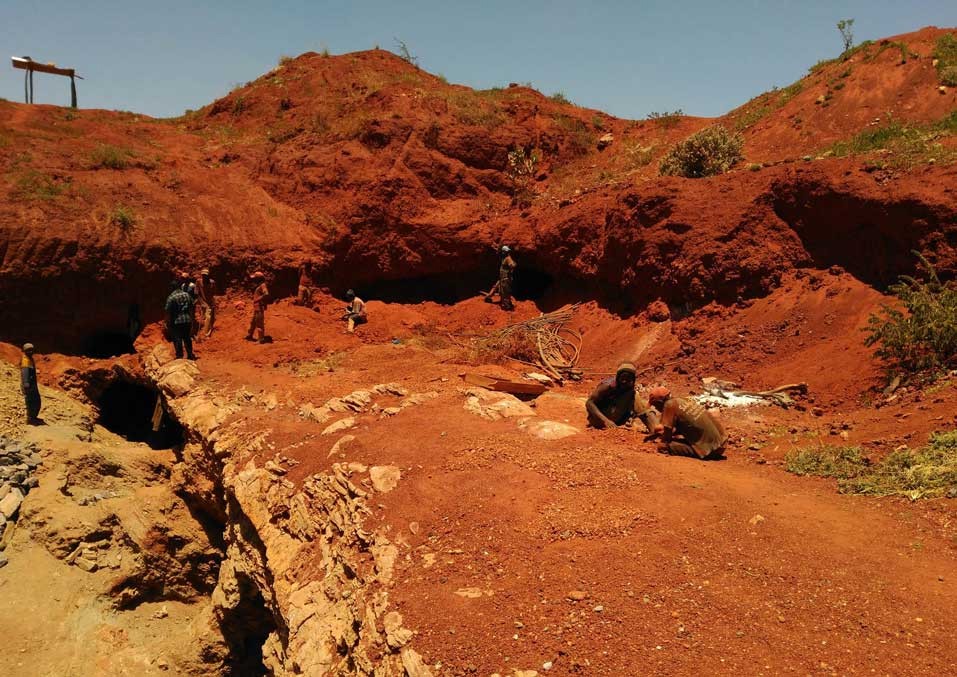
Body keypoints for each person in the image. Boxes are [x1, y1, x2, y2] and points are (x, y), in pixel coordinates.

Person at [648, 387, 728, 460]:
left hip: (710, 451)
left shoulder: (669, 405)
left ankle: (702, 451)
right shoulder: (683, 399)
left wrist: (661, 437)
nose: (655, 408)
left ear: (659, 402)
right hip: (722, 444)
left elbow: (667, 437)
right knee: (679, 438)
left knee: (663, 447)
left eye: (655, 405)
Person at [585, 362, 659, 431]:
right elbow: (589, 403)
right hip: (600, 419)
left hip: (617, 419)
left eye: (628, 379)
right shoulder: (608, 385)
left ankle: (657, 430)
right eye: (622, 378)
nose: (624, 381)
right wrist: (606, 421)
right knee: (635, 395)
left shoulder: (630, 388)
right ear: (618, 377)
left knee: (641, 404)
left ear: (633, 379)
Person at [165, 281, 196, 359]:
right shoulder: (187, 295)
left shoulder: (171, 297)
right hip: (187, 320)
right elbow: (192, 307)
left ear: (172, 288)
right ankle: (190, 354)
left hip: (176, 321)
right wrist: (192, 319)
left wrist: (167, 322)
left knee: (177, 339)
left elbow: (168, 311)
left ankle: (179, 356)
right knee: (187, 338)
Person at [484, 245, 517, 311]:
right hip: (502, 278)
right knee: (498, 288)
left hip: (505, 278)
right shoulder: (504, 258)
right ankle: (489, 297)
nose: (503, 253)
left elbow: (513, 265)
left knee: (505, 292)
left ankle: (507, 306)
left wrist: (511, 269)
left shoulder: (508, 258)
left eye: (504, 251)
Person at [20, 343, 41, 424]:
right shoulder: (25, 360)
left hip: (32, 384)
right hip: (28, 385)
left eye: (32, 350)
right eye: (29, 350)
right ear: (25, 351)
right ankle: (31, 419)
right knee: (31, 401)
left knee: (36, 401)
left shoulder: (30, 359)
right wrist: (26, 383)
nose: (31, 351)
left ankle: (33, 417)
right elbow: (25, 372)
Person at [245, 271, 269, 343]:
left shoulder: (262, 285)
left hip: (259, 307)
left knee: (259, 323)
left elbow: (266, 294)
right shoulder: (260, 285)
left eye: (255, 278)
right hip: (257, 307)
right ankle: (249, 335)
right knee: (253, 322)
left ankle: (261, 339)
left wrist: (258, 299)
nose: (254, 280)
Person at [196, 268, 216, 338]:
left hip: (210, 302)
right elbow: (197, 293)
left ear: (208, 275)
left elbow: (213, 293)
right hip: (203, 301)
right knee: (206, 317)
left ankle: (206, 334)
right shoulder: (198, 281)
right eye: (203, 275)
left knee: (208, 317)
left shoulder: (212, 282)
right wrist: (201, 302)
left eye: (205, 275)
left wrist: (212, 302)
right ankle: (206, 331)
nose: (204, 276)